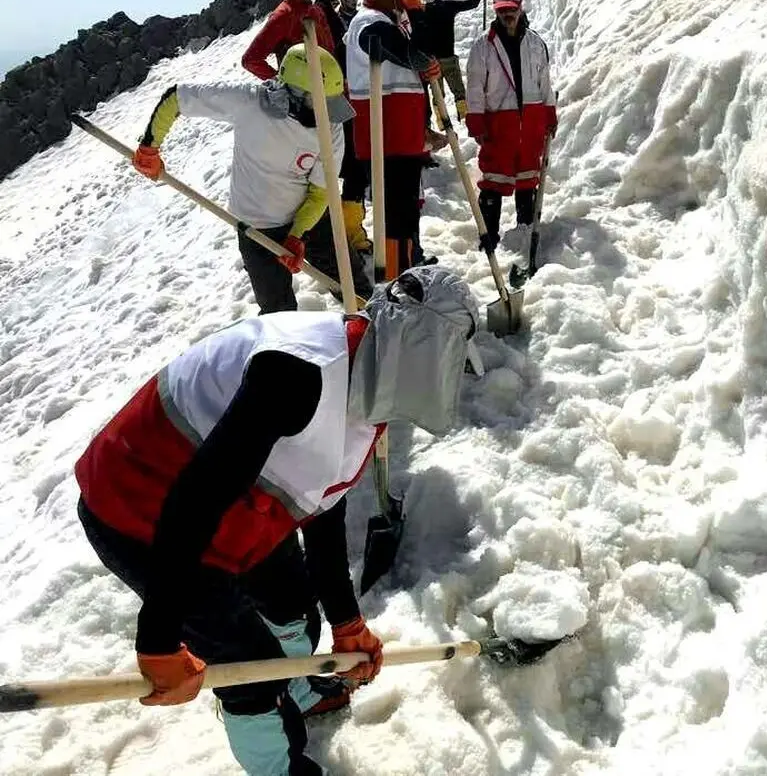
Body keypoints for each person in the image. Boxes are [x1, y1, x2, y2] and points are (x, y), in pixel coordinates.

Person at [75, 265, 483, 776]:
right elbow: (196, 501)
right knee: (248, 667)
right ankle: (276, 755)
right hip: (140, 507)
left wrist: (347, 622)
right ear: (425, 352)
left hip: (228, 500)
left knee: (292, 607)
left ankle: (296, 687)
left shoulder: (368, 382)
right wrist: (158, 636)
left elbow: (322, 503)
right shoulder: (298, 373)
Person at [131, 44, 372, 313]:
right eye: (320, 104)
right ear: (294, 93)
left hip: (310, 218)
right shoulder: (248, 102)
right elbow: (176, 98)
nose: (328, 114)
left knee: (353, 286)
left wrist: (297, 234)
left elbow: (320, 193)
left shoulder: (331, 129)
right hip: (257, 227)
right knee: (277, 312)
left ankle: (369, 325)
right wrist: (149, 148)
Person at [345, 0, 445, 278]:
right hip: (384, 140)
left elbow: (416, 65)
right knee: (395, 220)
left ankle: (408, 268)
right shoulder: (369, 24)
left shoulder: (391, 22)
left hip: (402, 137)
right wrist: (415, 12)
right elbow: (416, 56)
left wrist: (422, 128)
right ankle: (395, 277)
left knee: (406, 214)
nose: (410, 5)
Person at [465, 0, 557, 253]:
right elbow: (475, 87)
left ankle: (525, 233)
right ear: (496, 11)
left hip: (531, 120)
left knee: (528, 176)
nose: (508, 14)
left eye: (512, 9)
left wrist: (549, 112)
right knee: (494, 178)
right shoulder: (483, 46)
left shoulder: (536, 44)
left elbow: (544, 82)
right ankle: (488, 239)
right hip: (499, 123)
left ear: (520, 8)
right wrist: (476, 120)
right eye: (502, 10)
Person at [312, 0, 372, 258]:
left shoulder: (316, 12)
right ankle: (350, 235)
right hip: (339, 96)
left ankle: (340, 233)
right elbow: (339, 51)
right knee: (353, 167)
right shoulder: (325, 15)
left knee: (334, 168)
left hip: (323, 96)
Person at [241, 0, 335, 81]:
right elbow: (250, 60)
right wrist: (284, 83)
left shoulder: (315, 9)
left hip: (332, 88)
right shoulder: (283, 15)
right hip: (310, 94)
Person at [410, 0, 488, 122]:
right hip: (449, 59)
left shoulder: (421, 11)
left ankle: (442, 123)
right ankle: (464, 120)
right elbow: (473, 3)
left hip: (432, 62)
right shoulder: (448, 6)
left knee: (438, 95)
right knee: (459, 93)